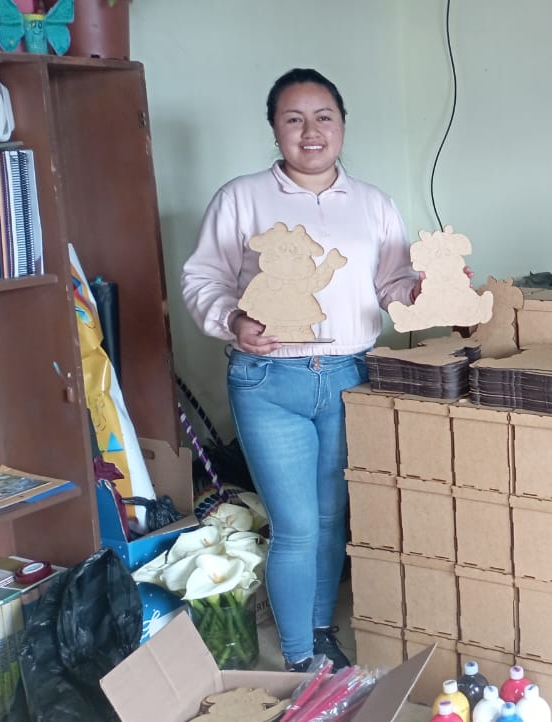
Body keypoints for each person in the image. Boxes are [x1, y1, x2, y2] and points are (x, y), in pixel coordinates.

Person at [181, 68, 419, 673]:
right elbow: (203, 278)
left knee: (332, 518)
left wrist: (428, 292)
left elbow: (393, 282)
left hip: (350, 376)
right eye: (294, 119)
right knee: (296, 526)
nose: (310, 131)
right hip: (269, 382)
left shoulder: (373, 203)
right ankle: (297, 659)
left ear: (342, 125)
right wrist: (233, 319)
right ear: (274, 128)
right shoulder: (241, 198)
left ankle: (320, 633)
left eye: (323, 117)